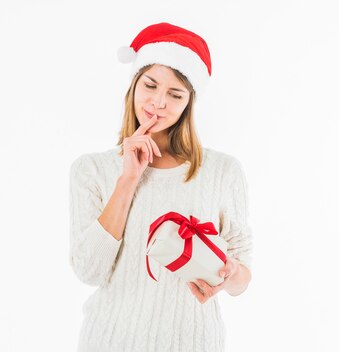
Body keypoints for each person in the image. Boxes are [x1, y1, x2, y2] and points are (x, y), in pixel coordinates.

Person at [68, 22, 253, 352]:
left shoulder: (223, 171)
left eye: (175, 94)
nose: (158, 102)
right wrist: (127, 179)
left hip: (194, 343)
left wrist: (230, 274)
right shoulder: (92, 170)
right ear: (133, 85)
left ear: (188, 103)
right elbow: (89, 270)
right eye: (150, 85)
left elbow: (241, 279)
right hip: (111, 341)